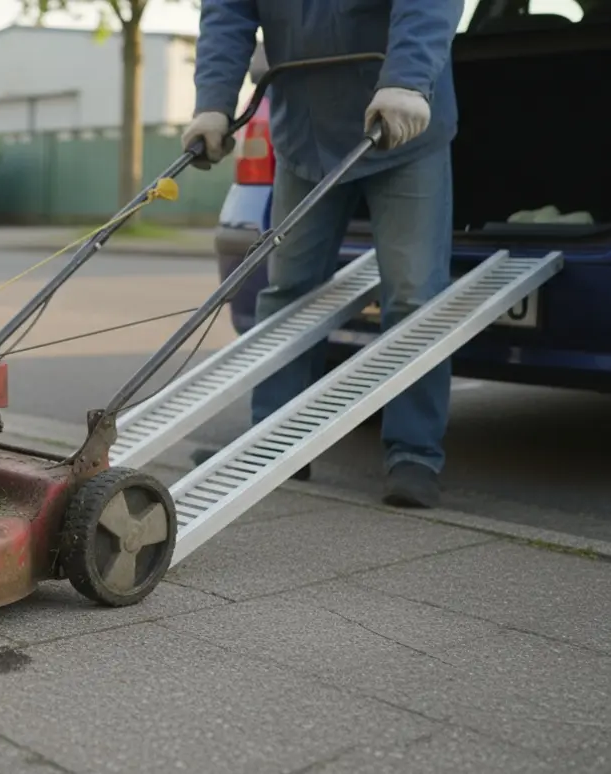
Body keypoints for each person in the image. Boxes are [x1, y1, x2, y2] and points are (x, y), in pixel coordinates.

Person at [182, 0, 467, 508]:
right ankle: (273, 440)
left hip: (401, 124)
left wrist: (407, 78)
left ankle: (414, 454)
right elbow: (227, 13)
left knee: (413, 295)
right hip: (307, 135)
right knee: (288, 291)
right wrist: (214, 101)